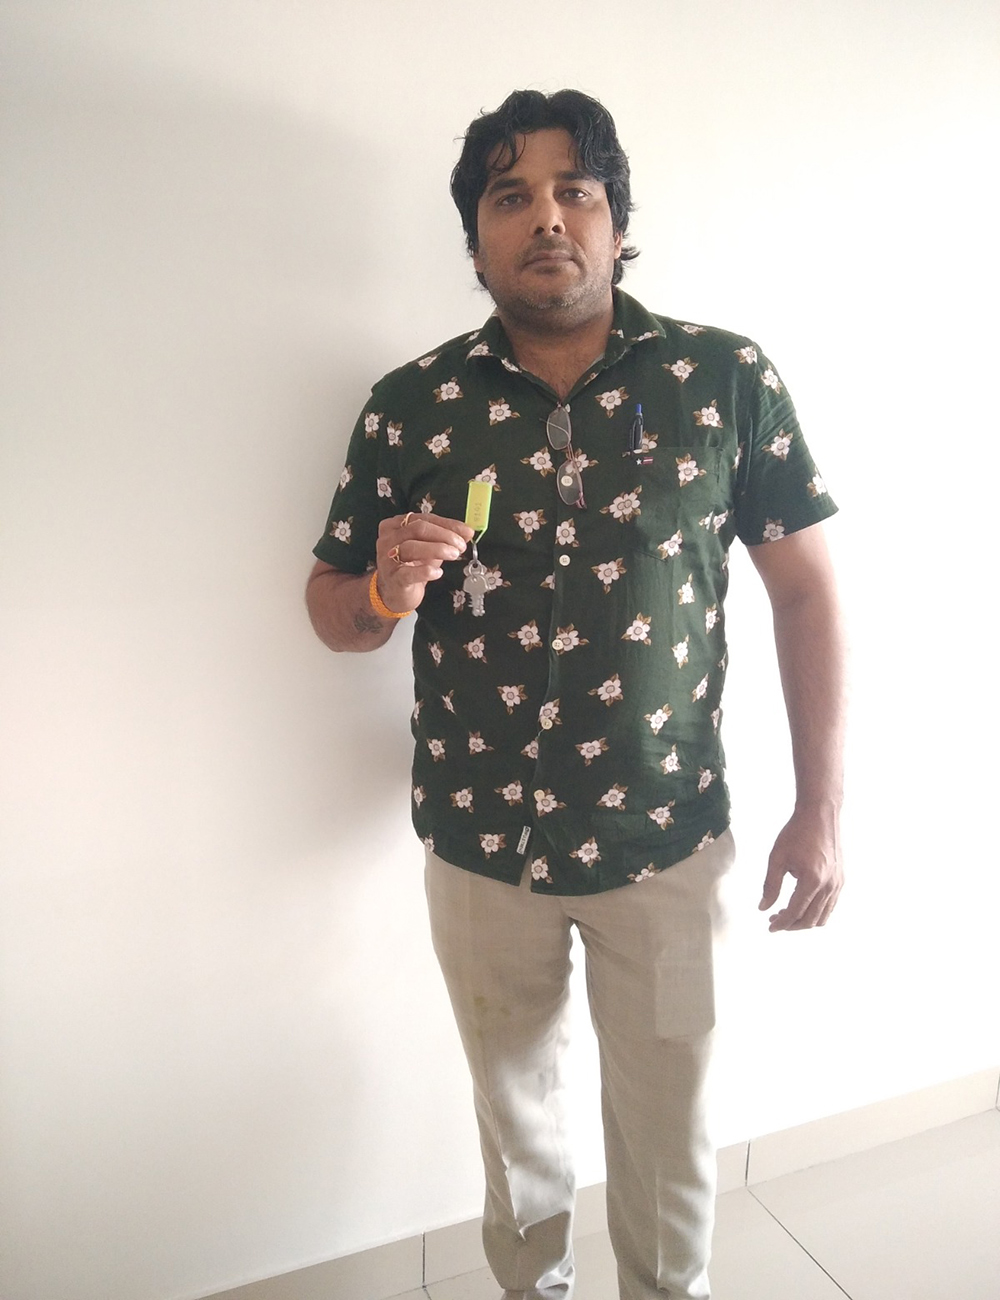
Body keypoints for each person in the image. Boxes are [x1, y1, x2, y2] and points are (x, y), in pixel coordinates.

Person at [306, 89, 845, 1300]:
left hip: (665, 840)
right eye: (511, 196)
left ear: (616, 221)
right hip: (479, 847)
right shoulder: (410, 405)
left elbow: (806, 593)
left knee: (669, 1137)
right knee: (516, 1133)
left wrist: (820, 807)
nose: (546, 216)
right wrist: (384, 591)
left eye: (575, 190)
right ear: (476, 239)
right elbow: (331, 608)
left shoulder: (722, 379)